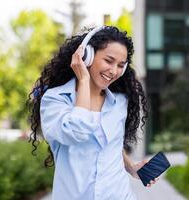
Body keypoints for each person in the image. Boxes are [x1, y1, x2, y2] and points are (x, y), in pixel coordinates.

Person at [27, 26, 159, 200]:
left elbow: (112, 144)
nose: (113, 71)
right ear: (86, 56)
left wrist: (131, 167)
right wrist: (83, 80)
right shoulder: (55, 99)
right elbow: (76, 132)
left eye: (120, 65)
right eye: (109, 60)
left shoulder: (119, 102)